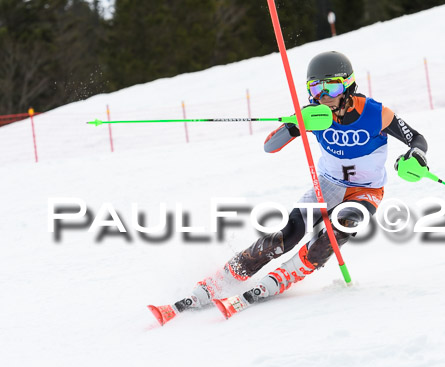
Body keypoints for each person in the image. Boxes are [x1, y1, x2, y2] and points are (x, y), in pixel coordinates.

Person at [148, 51, 429, 325]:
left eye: (331, 86)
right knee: (289, 234)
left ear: (348, 85)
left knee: (340, 227)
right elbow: (270, 146)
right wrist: (294, 125)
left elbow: (416, 138)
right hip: (328, 186)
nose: (324, 96)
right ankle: (227, 277)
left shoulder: (376, 113)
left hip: (365, 191)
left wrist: (416, 155)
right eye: (316, 88)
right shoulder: (314, 115)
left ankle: (286, 275)